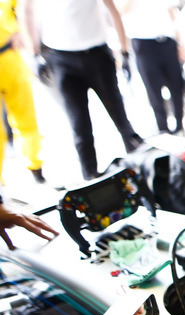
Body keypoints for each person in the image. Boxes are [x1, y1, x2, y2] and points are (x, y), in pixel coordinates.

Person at [17, 0, 144, 180]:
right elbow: (25, 11)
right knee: (79, 125)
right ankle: (91, 178)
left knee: (120, 116)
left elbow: (112, 9)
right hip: (61, 58)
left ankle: (141, 170)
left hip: (97, 53)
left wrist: (124, 51)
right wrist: (33, 54)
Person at [116, 0, 185, 134]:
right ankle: (163, 131)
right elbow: (121, 11)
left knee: (177, 87)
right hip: (144, 44)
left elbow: (172, 11)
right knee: (154, 93)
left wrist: (180, 42)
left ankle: (180, 128)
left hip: (167, 41)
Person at [0, 0, 46, 185]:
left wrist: (20, 31)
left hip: (10, 59)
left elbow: (24, 8)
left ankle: (35, 167)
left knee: (26, 119)